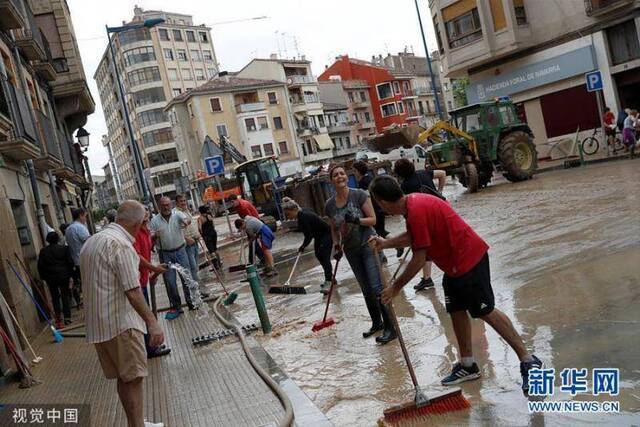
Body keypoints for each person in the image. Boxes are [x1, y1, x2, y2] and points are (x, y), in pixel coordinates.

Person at [367, 175, 542, 393]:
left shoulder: (416, 211)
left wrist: (395, 288)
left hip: (469, 260)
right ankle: (468, 365)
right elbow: (415, 235)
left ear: (382, 202)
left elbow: (419, 259)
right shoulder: (413, 205)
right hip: (454, 266)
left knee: (484, 310)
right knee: (457, 309)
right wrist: (387, 243)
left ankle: (528, 360)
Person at [80, 200, 165, 427]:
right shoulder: (121, 245)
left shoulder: (93, 241)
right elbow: (133, 291)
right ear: (137, 223)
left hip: (101, 326)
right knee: (134, 378)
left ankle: (136, 422)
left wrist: (153, 269)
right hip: (122, 324)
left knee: (125, 377)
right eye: (144, 222)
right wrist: (152, 323)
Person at [325, 164, 396, 344]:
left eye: (342, 173)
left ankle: (391, 328)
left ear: (346, 177)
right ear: (331, 180)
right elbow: (333, 228)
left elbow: (373, 219)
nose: (340, 176)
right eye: (336, 175)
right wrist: (336, 245)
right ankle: (377, 323)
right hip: (350, 249)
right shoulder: (330, 204)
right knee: (366, 289)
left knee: (377, 287)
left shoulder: (359, 195)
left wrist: (356, 220)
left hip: (369, 245)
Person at [393, 158, 447, 291]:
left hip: (424, 218)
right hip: (439, 209)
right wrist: (439, 191)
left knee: (425, 248)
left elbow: (407, 207)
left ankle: (428, 278)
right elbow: (442, 174)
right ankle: (427, 278)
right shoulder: (423, 173)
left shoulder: (405, 186)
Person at [133, 209, 170, 359]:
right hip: (135, 281)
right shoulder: (134, 233)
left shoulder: (146, 230)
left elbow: (147, 251)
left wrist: (154, 238)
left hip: (143, 277)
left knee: (147, 312)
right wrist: (154, 268)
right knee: (146, 315)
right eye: (143, 214)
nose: (147, 215)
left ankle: (151, 345)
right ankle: (151, 349)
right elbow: (138, 256)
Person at [149, 196, 194, 319]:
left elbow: (186, 220)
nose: (166, 207)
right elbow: (150, 236)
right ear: (159, 206)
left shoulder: (177, 214)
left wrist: (186, 222)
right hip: (165, 254)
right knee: (170, 282)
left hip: (180, 250)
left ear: (171, 204)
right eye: (163, 205)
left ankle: (192, 303)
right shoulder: (154, 220)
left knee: (186, 277)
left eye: (168, 204)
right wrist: (154, 236)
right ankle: (177, 307)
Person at [281, 197, 333, 293]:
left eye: (288, 214)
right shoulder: (301, 214)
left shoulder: (303, 217)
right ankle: (331, 277)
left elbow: (308, 236)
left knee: (324, 257)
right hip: (318, 235)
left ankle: (329, 281)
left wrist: (303, 246)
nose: (288, 217)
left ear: (294, 209)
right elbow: (309, 234)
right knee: (318, 255)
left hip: (326, 234)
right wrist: (303, 246)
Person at [37, 231, 74, 328]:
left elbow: (40, 266)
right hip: (63, 276)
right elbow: (70, 262)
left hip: (51, 278)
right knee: (64, 295)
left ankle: (58, 318)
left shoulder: (43, 252)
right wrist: (70, 274)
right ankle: (67, 317)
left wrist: (44, 277)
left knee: (55, 297)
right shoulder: (64, 249)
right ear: (57, 239)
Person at [65, 207, 91, 306]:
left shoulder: (68, 229)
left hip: (76, 261)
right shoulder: (80, 228)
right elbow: (89, 242)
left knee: (84, 284)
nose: (86, 219)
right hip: (84, 260)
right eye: (85, 216)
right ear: (80, 216)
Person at [175, 195, 201, 285]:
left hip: (195, 242)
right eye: (181, 201)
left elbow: (191, 225)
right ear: (177, 203)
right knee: (192, 267)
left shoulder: (187, 211)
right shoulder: (176, 213)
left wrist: (197, 234)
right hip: (187, 244)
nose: (183, 203)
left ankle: (198, 288)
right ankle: (197, 289)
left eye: (184, 201)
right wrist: (186, 238)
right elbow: (177, 230)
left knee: (196, 267)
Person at [198, 205, 220, 270]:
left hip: (207, 236)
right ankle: (219, 263)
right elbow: (213, 225)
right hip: (213, 233)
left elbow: (199, 228)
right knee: (215, 249)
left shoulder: (200, 218)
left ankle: (216, 266)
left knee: (211, 251)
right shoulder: (209, 216)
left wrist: (202, 235)